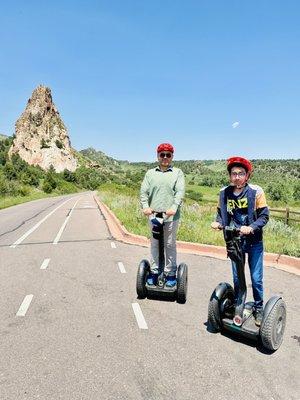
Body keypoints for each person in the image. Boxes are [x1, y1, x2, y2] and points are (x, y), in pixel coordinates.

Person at [211, 156, 269, 326]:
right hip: (234, 241)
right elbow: (221, 214)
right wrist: (218, 223)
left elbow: (264, 216)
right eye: (234, 173)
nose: (237, 177)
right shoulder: (224, 193)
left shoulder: (256, 191)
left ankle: (258, 308)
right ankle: (239, 304)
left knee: (256, 278)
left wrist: (251, 227)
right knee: (237, 278)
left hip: (253, 242)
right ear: (230, 176)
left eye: (241, 173)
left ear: (247, 176)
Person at [140, 143, 185, 287]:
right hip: (154, 215)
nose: (165, 157)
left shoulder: (177, 172)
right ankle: (154, 272)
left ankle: (170, 274)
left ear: (172, 156)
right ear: (157, 156)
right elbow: (143, 193)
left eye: (168, 155)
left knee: (169, 244)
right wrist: (146, 207)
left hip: (171, 216)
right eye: (162, 154)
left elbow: (179, 192)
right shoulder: (150, 173)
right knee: (154, 244)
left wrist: (174, 207)